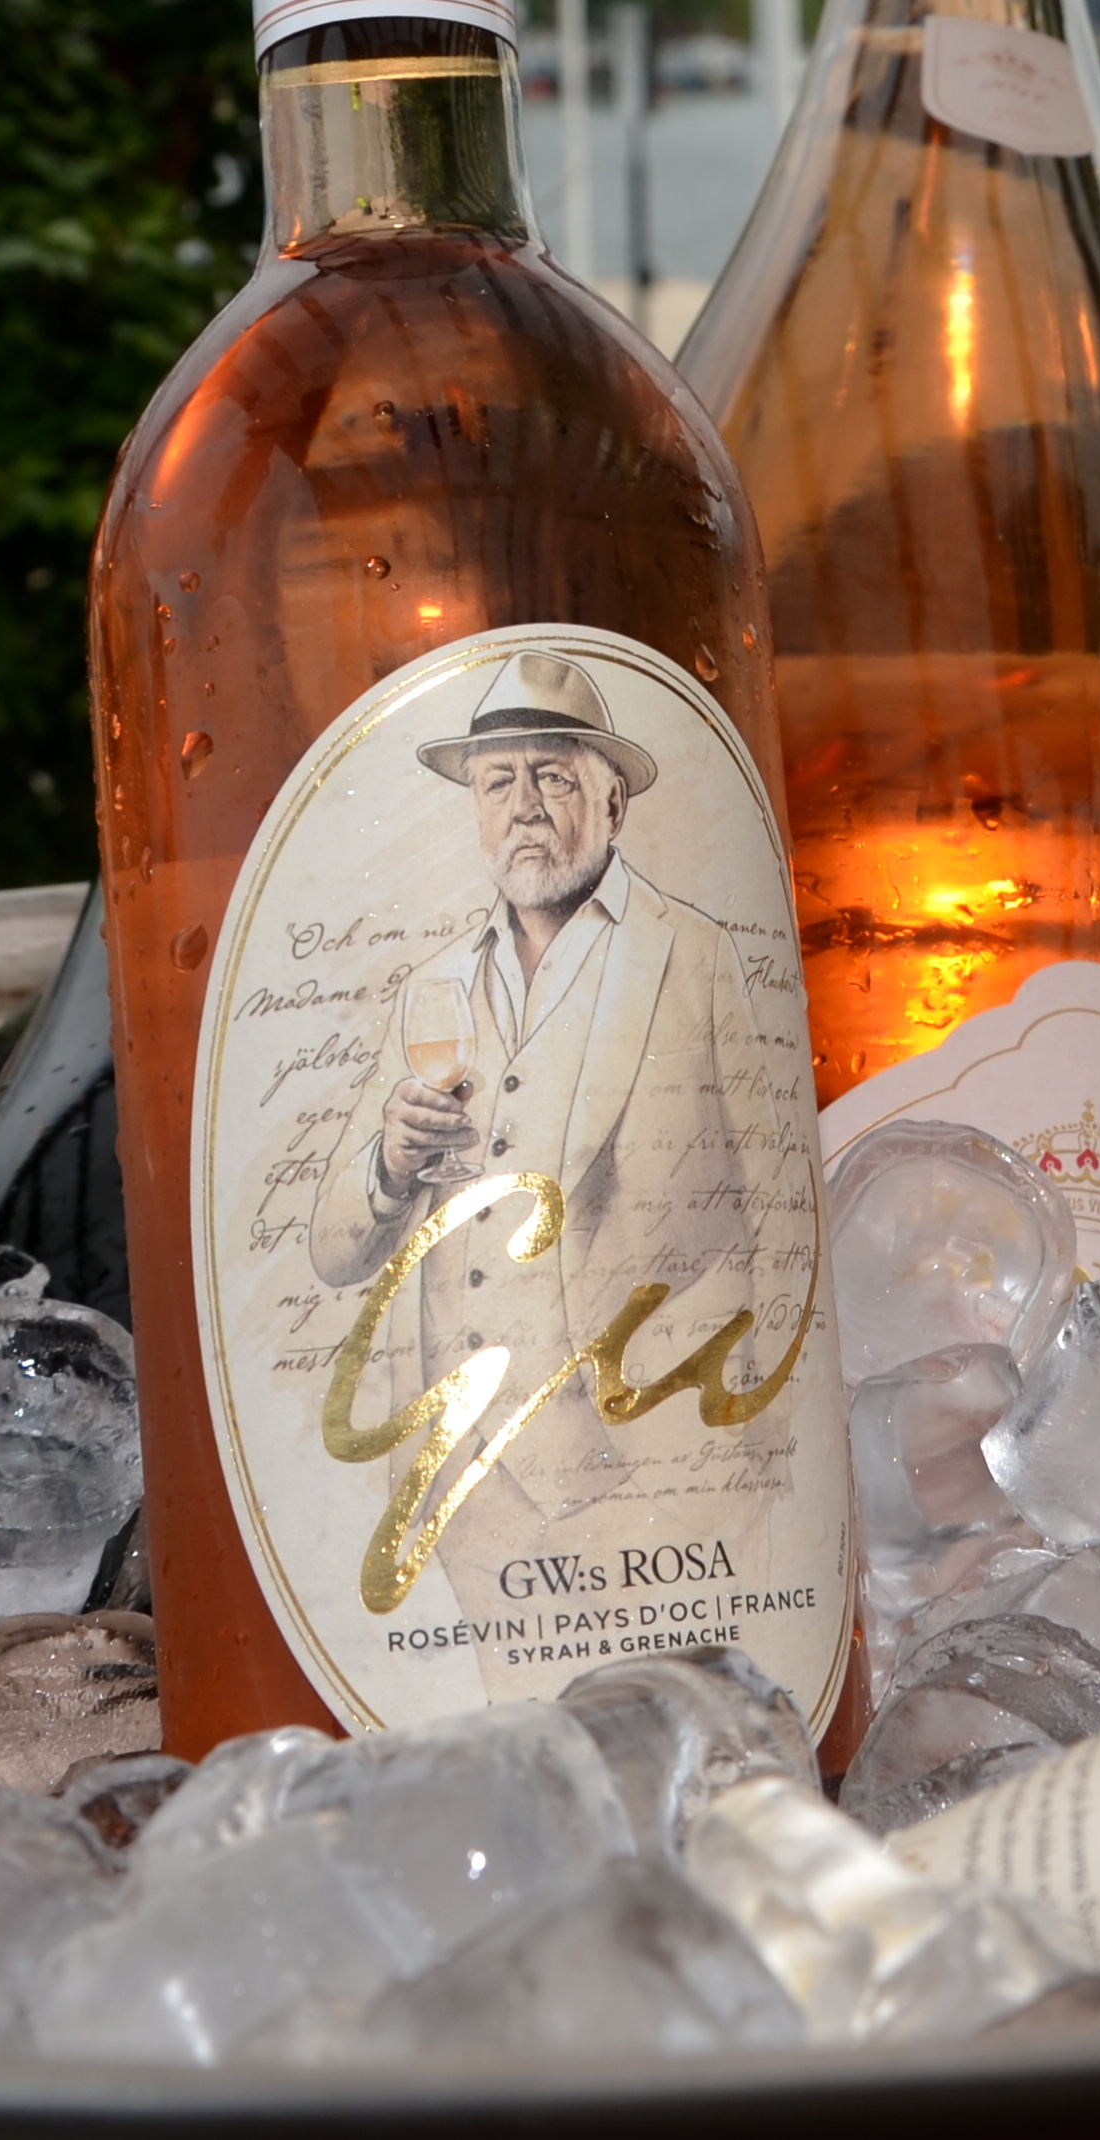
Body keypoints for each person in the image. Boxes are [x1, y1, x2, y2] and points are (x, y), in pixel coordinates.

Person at [306, 649, 780, 1620]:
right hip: (463, 1491)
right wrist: (389, 1162)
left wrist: (760, 1440)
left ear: (613, 802)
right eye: (497, 783)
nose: (522, 806)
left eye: (552, 778)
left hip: (654, 1476)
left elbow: (781, 1208)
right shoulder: (433, 987)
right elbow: (332, 1252)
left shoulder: (695, 955)